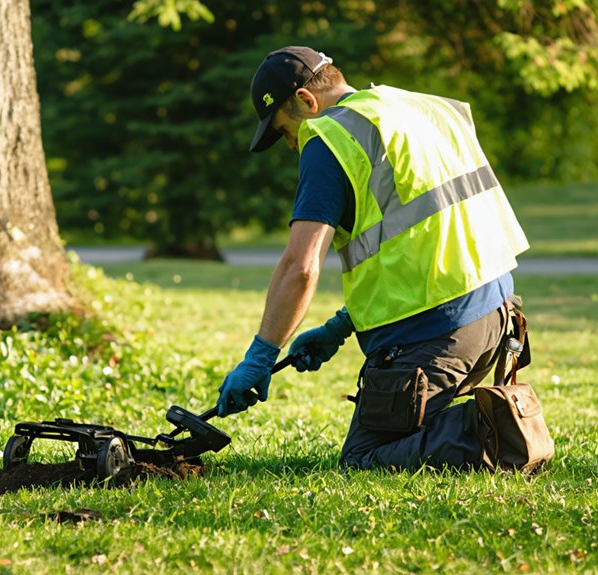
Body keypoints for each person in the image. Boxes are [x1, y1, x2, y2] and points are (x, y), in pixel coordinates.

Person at [215, 46, 530, 470]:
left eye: (286, 132)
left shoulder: (330, 136)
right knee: (392, 431)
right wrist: (338, 327)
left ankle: (493, 431)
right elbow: (424, 246)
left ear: (308, 102)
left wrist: (261, 356)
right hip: (500, 320)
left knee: (363, 457)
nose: (292, 145)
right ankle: (480, 416)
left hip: (438, 336)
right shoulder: (419, 108)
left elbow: (300, 267)